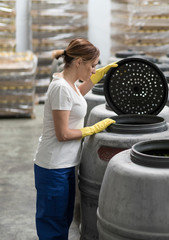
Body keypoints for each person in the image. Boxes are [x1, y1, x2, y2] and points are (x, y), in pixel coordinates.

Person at [33, 38, 117, 239]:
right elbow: (63, 134)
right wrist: (92, 129)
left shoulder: (68, 85)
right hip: (53, 167)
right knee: (53, 225)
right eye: (93, 66)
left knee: (63, 220)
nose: (94, 70)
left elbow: (75, 97)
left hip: (65, 165)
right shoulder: (61, 87)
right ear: (79, 62)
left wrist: (96, 79)